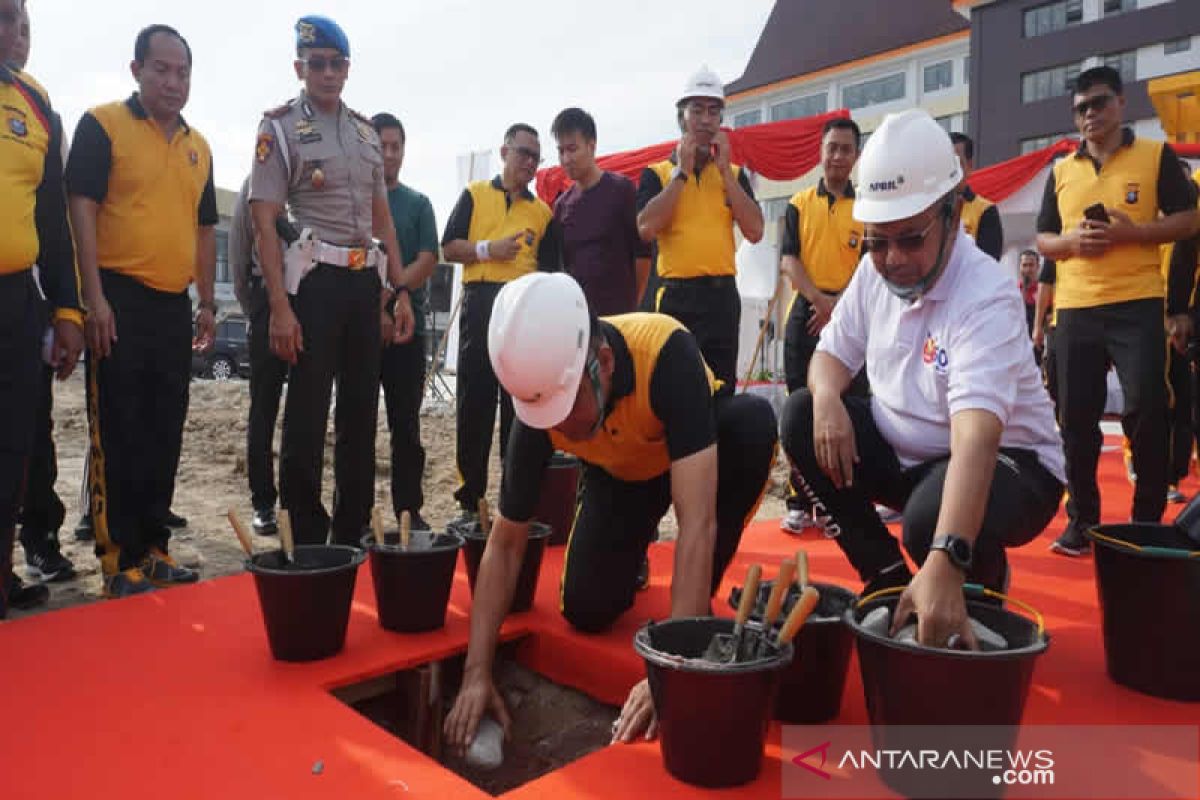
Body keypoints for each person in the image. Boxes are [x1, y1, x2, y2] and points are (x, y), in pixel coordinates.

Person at [443, 272, 777, 750]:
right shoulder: (540, 400)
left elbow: (696, 523)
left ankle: (696, 607)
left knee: (751, 424)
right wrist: (477, 672)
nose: (555, 426)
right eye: (544, 415)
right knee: (585, 608)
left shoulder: (665, 355)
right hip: (621, 474)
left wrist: (670, 672)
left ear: (602, 363)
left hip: (695, 456)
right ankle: (631, 556)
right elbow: (506, 540)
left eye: (565, 408)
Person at [780, 109, 1065, 647]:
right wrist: (825, 399)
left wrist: (948, 555)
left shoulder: (984, 294)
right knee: (798, 416)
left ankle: (979, 580)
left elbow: (977, 436)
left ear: (953, 217)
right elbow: (830, 356)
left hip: (1014, 463)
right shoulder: (874, 272)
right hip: (911, 456)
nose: (892, 260)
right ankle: (888, 582)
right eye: (876, 241)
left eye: (910, 239)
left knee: (926, 521)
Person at [249, 15, 414, 547]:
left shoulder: (366, 132)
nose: (326, 72)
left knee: (361, 413)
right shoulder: (277, 127)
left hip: (365, 284)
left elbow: (381, 219)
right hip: (314, 282)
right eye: (315, 63)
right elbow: (264, 219)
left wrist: (399, 290)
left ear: (347, 68)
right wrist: (279, 306)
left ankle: (352, 527)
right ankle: (306, 531)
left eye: (335, 63)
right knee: (306, 413)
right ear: (300, 67)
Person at [66, 24, 216, 598]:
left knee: (164, 428)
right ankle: (117, 557)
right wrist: (93, 296)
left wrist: (204, 301)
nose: (173, 82)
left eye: (182, 72)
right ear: (137, 70)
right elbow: (80, 206)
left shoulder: (198, 146)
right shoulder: (102, 125)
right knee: (120, 428)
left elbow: (205, 229)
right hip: (117, 297)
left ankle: (154, 549)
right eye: (162, 69)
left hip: (172, 305)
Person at [1035, 66, 1199, 556]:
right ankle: (1081, 520)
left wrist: (1134, 234)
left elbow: (1190, 220)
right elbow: (1044, 238)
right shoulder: (1062, 171)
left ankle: (1145, 522)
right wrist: (1068, 243)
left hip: (1138, 304)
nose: (1090, 115)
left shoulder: (1155, 157)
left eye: (1099, 103)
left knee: (1148, 410)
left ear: (1121, 103)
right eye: (1081, 108)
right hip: (1077, 308)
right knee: (1076, 419)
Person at [0, 0, 84, 617]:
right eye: (4, 18)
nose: (15, 34)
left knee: (14, 445)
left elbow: (53, 220)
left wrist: (68, 312)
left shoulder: (35, 103)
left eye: (24, 22)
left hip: (13, 298)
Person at [441, 123, 562, 522]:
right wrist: (487, 249)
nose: (529, 162)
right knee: (473, 404)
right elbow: (448, 248)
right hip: (480, 304)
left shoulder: (543, 213)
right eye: (523, 153)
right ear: (504, 151)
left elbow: (549, 273)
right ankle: (469, 503)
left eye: (535, 156)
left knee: (520, 410)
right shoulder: (475, 195)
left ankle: (515, 502)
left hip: (524, 312)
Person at [636, 65, 764, 386]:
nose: (705, 120)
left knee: (721, 390)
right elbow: (646, 228)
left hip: (721, 300)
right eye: (697, 110)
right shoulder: (658, 174)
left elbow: (756, 231)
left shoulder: (732, 175)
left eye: (713, 111)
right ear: (682, 117)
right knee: (673, 388)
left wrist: (724, 173)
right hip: (676, 298)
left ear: (721, 119)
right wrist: (682, 172)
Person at [779, 117, 867, 534]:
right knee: (801, 405)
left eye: (845, 149)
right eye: (831, 147)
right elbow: (788, 261)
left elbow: (871, 264)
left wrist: (839, 306)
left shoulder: (867, 208)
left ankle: (838, 501)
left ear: (856, 156)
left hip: (850, 314)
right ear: (821, 151)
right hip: (806, 313)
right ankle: (800, 500)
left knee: (846, 406)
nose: (837, 156)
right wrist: (819, 300)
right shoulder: (797, 204)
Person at [372, 112, 437, 531]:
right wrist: (381, 302)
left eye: (396, 146)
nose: (390, 154)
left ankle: (408, 512)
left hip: (408, 329)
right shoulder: (355, 202)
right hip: (362, 327)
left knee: (406, 426)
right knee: (355, 426)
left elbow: (428, 258)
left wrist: (399, 295)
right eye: (382, 146)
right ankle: (353, 514)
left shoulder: (418, 204)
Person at [229, 177, 287, 536]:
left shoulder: (311, 181)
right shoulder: (255, 186)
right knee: (263, 410)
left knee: (304, 410)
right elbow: (237, 257)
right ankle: (263, 502)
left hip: (311, 304)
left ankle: (296, 501)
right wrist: (257, 310)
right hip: (266, 302)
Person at [551, 107, 648, 316]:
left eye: (572, 149)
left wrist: (632, 306)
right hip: (577, 322)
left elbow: (643, 255)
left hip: (621, 321)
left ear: (591, 146)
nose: (566, 158)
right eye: (561, 151)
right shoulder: (561, 206)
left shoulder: (622, 190)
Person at [950, 132, 1004, 261]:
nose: (951, 171)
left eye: (957, 163)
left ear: (969, 166)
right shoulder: (931, 210)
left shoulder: (985, 210)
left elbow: (989, 264)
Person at [1018, 249, 1039, 335]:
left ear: (1038, 266)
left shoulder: (1044, 291)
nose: (1027, 269)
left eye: (1031, 265)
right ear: (1020, 267)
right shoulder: (1013, 290)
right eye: (1024, 265)